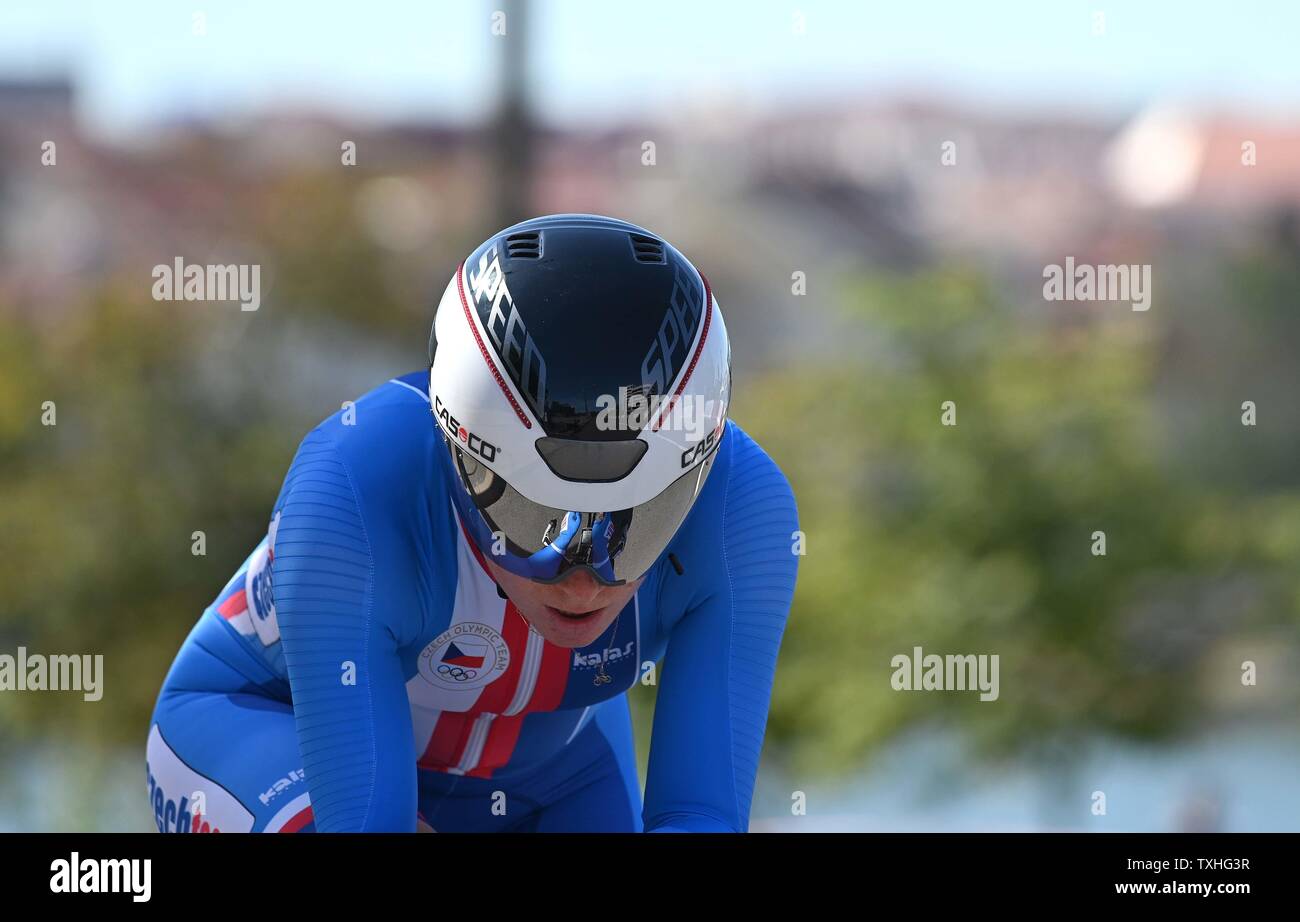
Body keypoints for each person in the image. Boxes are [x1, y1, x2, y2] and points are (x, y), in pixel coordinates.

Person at [145, 214, 800, 832]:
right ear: (458, 457)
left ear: (696, 478)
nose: (583, 582)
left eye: (639, 526)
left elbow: (701, 812)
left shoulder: (742, 509)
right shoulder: (353, 490)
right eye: (535, 518)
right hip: (261, 723)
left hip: (556, 764)